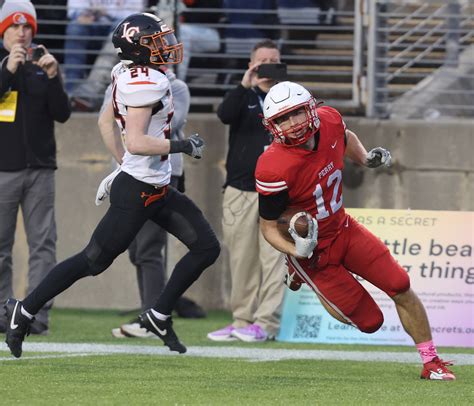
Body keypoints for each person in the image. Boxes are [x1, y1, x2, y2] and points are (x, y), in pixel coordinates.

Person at [4, 12, 221, 358]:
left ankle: (159, 315)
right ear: (137, 47)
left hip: (155, 187)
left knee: (207, 247)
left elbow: (107, 123)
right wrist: (181, 146)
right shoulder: (146, 82)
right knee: (92, 261)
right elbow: (136, 141)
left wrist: (122, 162)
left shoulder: (126, 72)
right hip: (138, 191)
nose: (165, 46)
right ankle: (25, 310)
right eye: (156, 41)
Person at [254, 81, 456, 381]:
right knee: (371, 322)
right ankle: (301, 272)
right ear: (272, 125)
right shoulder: (272, 165)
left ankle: (431, 362)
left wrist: (364, 158)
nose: (292, 124)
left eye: (295, 113)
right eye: (282, 119)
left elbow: (344, 137)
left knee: (400, 283)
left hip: (343, 228)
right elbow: (268, 227)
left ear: (310, 108)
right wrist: (298, 251)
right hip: (313, 250)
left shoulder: (330, 118)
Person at [94, 69, 205, 339]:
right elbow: (106, 121)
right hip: (129, 174)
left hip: (160, 174)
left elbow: (164, 124)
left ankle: (152, 315)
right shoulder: (122, 79)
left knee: (148, 247)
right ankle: (154, 312)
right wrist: (122, 160)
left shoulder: (174, 86)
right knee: (134, 250)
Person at [0, 0, 71, 335]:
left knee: (43, 244)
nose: (22, 33)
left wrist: (54, 78)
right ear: (3, 31)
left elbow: (62, 113)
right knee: (0, 246)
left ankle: (35, 316)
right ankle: (2, 313)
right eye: (15, 27)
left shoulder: (44, 66)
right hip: (3, 170)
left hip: (41, 169)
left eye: (27, 26)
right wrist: (8, 71)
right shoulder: (4, 65)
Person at [208, 39, 285, 343]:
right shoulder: (244, 95)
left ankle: (266, 323)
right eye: (261, 60)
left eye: (273, 60)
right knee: (241, 259)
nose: (266, 65)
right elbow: (224, 115)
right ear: (251, 63)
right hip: (240, 188)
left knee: (273, 259)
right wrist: (244, 84)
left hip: (278, 191)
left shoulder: (290, 97)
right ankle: (241, 319)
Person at [64, 0, 145, 93]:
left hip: (116, 25)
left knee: (122, 30)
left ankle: (91, 89)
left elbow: (133, 16)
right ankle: (71, 89)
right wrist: (82, 14)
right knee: (75, 28)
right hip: (90, 23)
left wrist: (106, 13)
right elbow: (74, 9)